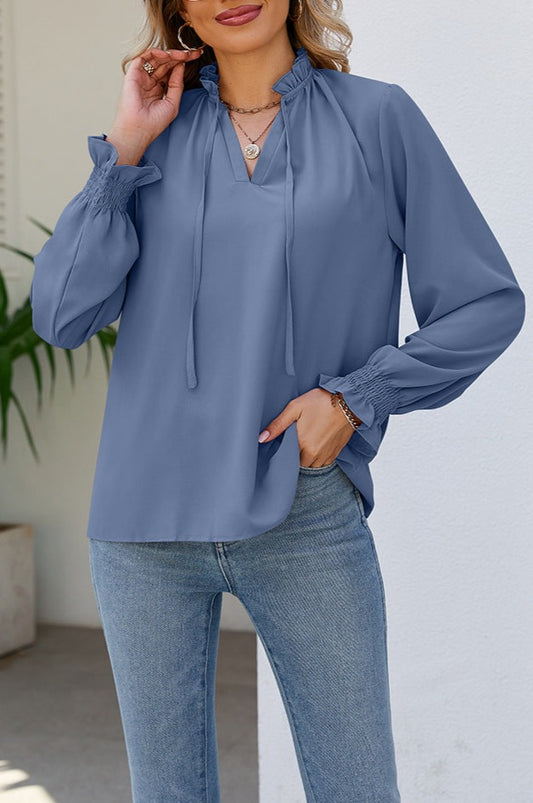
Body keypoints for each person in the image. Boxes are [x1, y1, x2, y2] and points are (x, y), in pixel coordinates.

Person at [29, 0, 525, 798]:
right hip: (143, 522)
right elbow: (61, 316)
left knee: (355, 788)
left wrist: (355, 398)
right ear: (178, 9)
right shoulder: (154, 140)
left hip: (303, 513)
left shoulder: (377, 120)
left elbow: (485, 301)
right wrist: (122, 149)